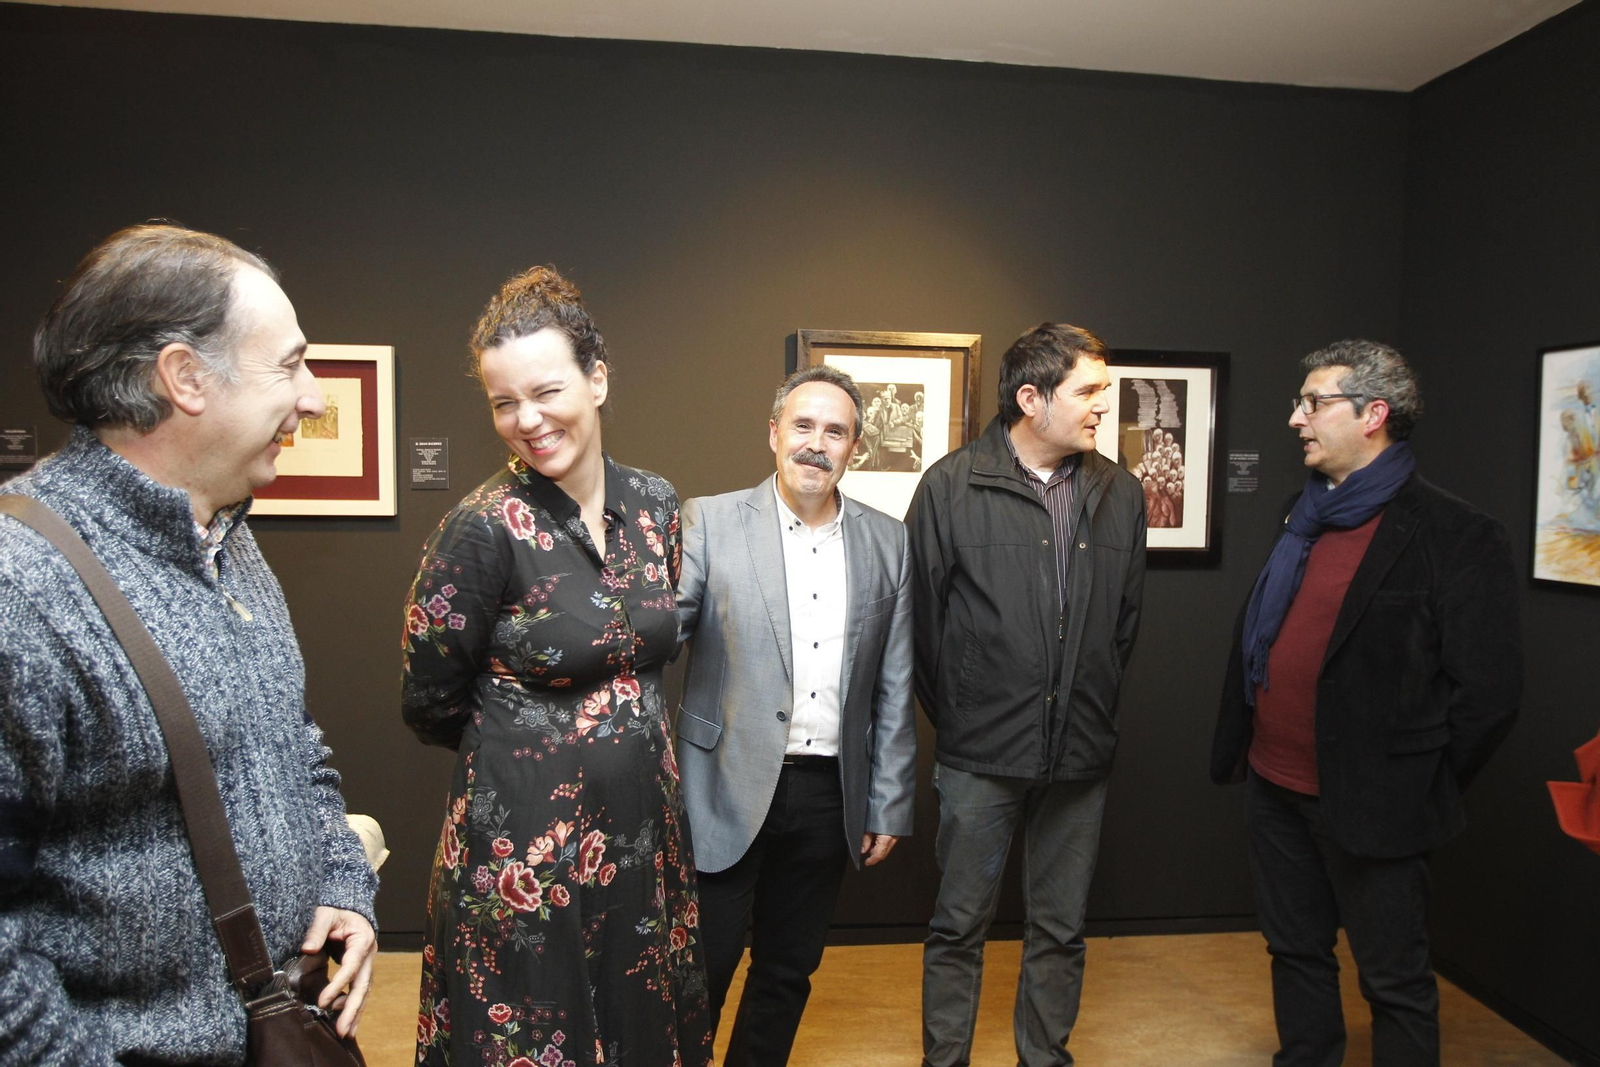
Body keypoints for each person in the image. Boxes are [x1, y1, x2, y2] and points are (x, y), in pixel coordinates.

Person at [0, 223, 378, 1064]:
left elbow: (296, 744)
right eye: (289, 365)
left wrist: (345, 888)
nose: (314, 396)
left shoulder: (230, 537)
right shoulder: (20, 586)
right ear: (184, 377)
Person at [402, 266, 712, 1067]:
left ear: (598, 378)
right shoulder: (480, 529)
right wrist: (537, 748)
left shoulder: (655, 503)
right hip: (526, 853)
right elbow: (430, 697)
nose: (527, 420)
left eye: (545, 391)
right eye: (504, 403)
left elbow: (649, 644)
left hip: (642, 837)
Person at [1212, 339, 1521, 1067]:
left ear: (1373, 414)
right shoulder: (1304, 512)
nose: (1295, 419)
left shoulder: (1456, 533)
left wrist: (1417, 780)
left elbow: (1489, 694)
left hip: (1378, 802)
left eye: (1313, 403)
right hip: (1274, 786)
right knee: (1295, 951)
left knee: (1395, 980)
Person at [908, 322, 1147, 1067]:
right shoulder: (950, 486)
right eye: (1088, 391)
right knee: (958, 926)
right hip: (982, 754)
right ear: (1030, 398)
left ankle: (1044, 1056)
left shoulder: (1121, 492)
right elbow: (919, 631)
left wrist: (1089, 703)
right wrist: (969, 715)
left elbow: (1124, 626)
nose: (1102, 406)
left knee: (1060, 927)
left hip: (1080, 753)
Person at [674, 365, 917, 1066]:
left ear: (855, 447)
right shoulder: (710, 520)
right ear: (774, 433)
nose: (818, 443)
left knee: (787, 970)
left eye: (835, 431)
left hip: (825, 792)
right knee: (703, 966)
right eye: (803, 426)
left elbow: (896, 682)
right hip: (720, 782)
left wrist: (889, 800)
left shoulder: (888, 541)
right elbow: (663, 634)